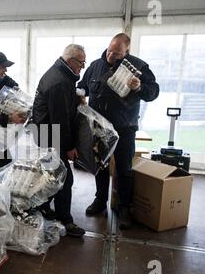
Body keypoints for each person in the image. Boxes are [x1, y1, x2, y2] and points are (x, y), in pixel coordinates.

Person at [77, 33, 159, 229]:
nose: (110, 56)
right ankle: (100, 201)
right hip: (99, 126)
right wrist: (78, 95)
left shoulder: (139, 67)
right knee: (101, 165)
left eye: (117, 53)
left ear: (127, 51)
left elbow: (153, 92)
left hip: (124, 128)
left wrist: (139, 87)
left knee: (124, 169)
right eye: (109, 50)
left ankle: (124, 208)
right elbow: (83, 87)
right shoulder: (96, 65)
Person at [32, 44, 87, 238]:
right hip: (51, 138)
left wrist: (76, 99)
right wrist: (70, 147)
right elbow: (60, 120)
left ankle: (44, 208)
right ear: (71, 60)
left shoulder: (61, 75)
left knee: (51, 177)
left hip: (47, 135)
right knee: (64, 179)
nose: (82, 67)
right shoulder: (59, 82)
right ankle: (65, 220)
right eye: (81, 63)